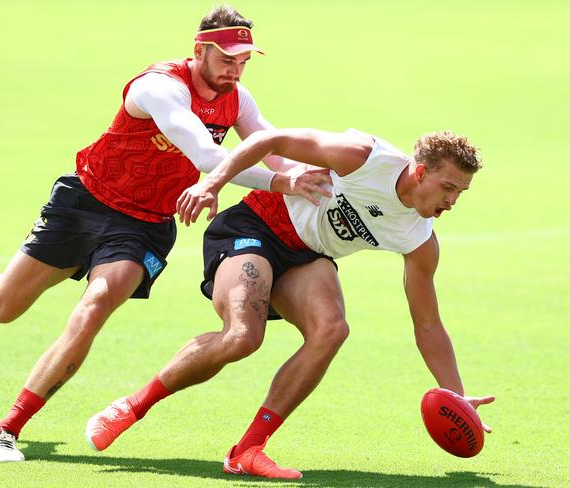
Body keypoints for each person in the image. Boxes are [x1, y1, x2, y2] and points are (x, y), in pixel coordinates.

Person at [0, 5, 330, 463]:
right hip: (85, 204)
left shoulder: (239, 98)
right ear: (200, 51)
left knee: (95, 306)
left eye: (244, 61)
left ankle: (6, 430)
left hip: (143, 226)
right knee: (1, 312)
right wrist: (282, 182)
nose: (235, 70)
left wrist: (309, 175)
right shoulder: (159, 87)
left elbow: (270, 145)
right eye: (227, 59)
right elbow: (208, 156)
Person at [86, 127, 495, 479]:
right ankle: (131, 407)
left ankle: (247, 451)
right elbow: (269, 139)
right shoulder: (365, 158)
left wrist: (455, 395)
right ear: (420, 172)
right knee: (243, 337)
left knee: (332, 331)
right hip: (256, 227)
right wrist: (211, 183)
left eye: (461, 192)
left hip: (308, 256)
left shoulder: (419, 238)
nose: (452, 202)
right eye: (448, 188)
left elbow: (428, 324)